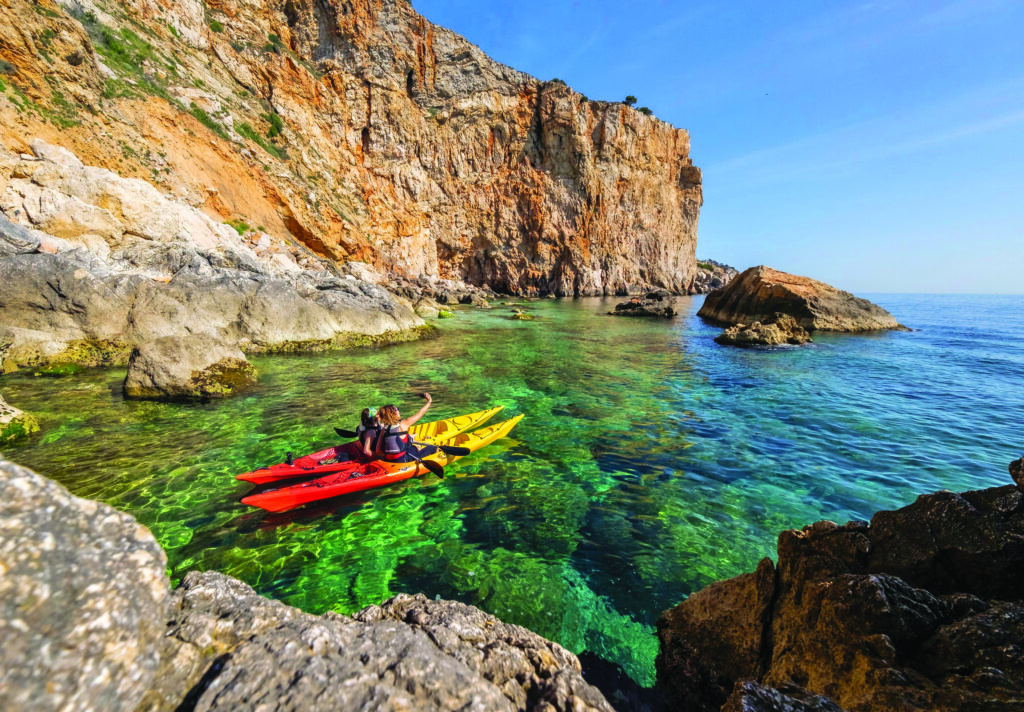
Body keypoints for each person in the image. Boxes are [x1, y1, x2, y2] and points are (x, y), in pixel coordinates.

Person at [374, 393, 438, 462]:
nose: (399, 411)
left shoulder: (384, 429)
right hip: (403, 460)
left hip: (389, 459)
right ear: (393, 413)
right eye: (397, 409)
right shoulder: (403, 424)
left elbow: (378, 451)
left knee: (413, 447)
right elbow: (420, 413)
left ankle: (416, 451)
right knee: (432, 448)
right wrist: (429, 402)